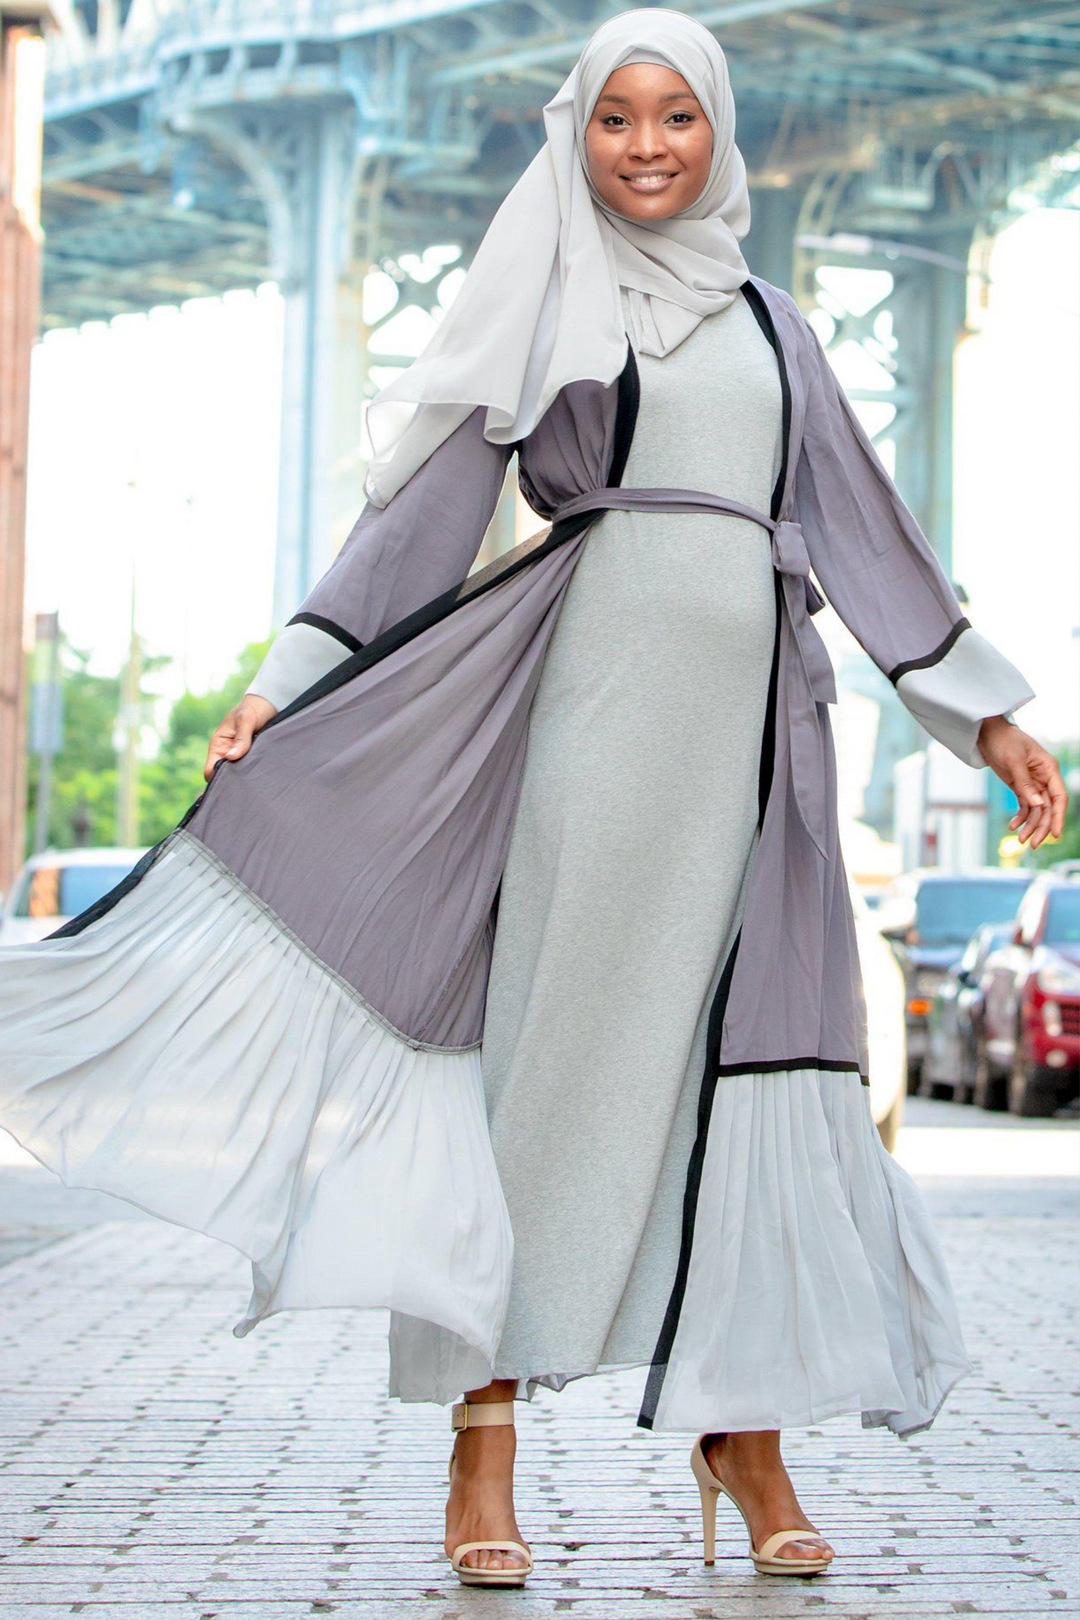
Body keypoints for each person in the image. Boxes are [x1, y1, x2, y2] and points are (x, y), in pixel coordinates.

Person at [0, 8, 1065, 1594]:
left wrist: (988, 720)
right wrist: (282, 683)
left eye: (677, 118)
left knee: (755, 1084)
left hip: (761, 763)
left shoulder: (780, 327)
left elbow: (864, 530)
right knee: (544, 1082)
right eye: (615, 118)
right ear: (577, 136)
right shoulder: (544, 302)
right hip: (588, 741)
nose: (647, 146)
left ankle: (744, 1432)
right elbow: (420, 522)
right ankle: (481, 1439)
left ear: (720, 134)